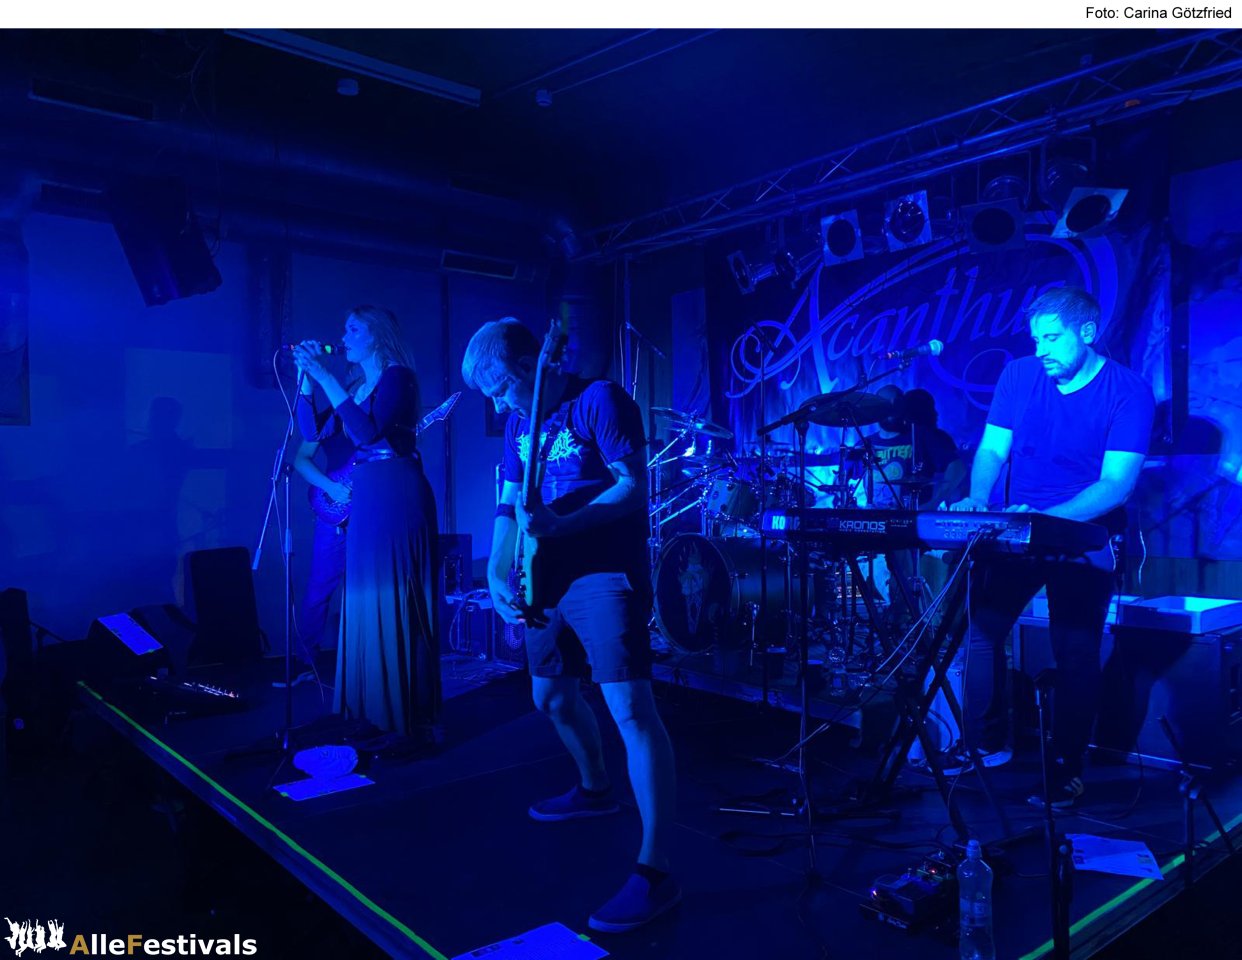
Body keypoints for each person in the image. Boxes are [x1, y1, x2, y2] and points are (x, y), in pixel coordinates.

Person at [462, 318, 679, 933]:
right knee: (551, 698)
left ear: (531, 365)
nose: (499, 405)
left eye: (501, 389)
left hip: (603, 572)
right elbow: (509, 504)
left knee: (631, 710)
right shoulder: (518, 424)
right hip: (544, 575)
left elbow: (634, 488)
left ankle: (656, 869)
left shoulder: (599, 400)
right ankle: (595, 789)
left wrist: (562, 523)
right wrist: (496, 570)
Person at [949, 287, 1154, 807]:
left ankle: (1066, 769)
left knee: (1075, 649)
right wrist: (979, 500)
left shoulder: (1129, 391)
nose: (1041, 350)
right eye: (1036, 338)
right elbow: (993, 448)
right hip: (1019, 531)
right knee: (980, 633)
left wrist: (1043, 519)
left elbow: (1116, 486)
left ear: (1087, 333)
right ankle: (982, 745)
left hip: (1082, 535)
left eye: (1053, 338)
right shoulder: (1019, 375)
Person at [292, 306, 440, 742]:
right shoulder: (358, 386)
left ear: (377, 335)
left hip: (395, 491)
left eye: (353, 329)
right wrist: (307, 379)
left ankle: (406, 715)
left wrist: (326, 376)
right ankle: (370, 705)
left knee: (391, 593)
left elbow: (369, 434)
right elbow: (312, 433)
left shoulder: (398, 377)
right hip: (368, 494)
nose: (343, 337)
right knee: (362, 596)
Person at [866, 385, 966, 619]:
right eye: (886, 405)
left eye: (896, 403)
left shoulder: (920, 436)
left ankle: (904, 620)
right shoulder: (866, 444)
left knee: (902, 562)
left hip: (909, 524)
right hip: (874, 522)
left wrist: (932, 504)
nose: (892, 410)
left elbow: (957, 468)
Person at [274, 406, 355, 688]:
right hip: (335, 511)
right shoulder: (332, 414)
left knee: (368, 587)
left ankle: (365, 661)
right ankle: (304, 661)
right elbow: (301, 459)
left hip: (372, 509)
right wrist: (330, 487)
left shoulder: (380, 409)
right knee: (319, 588)